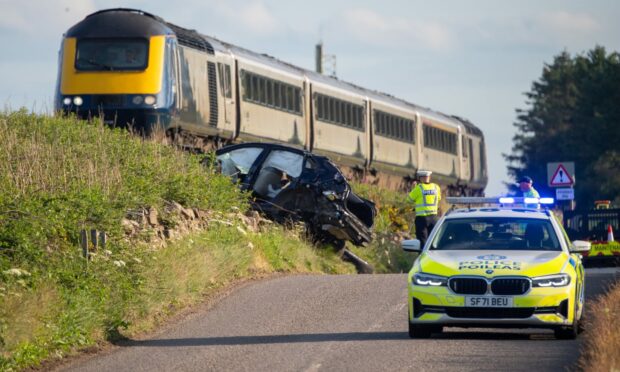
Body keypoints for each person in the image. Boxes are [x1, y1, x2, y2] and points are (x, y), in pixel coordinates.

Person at [408, 170, 441, 248]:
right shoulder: (436, 187)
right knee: (433, 242)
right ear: (429, 177)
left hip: (422, 219)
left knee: (423, 242)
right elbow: (439, 198)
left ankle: (423, 258)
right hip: (434, 218)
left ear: (421, 178)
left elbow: (409, 200)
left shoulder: (418, 188)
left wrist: (413, 189)